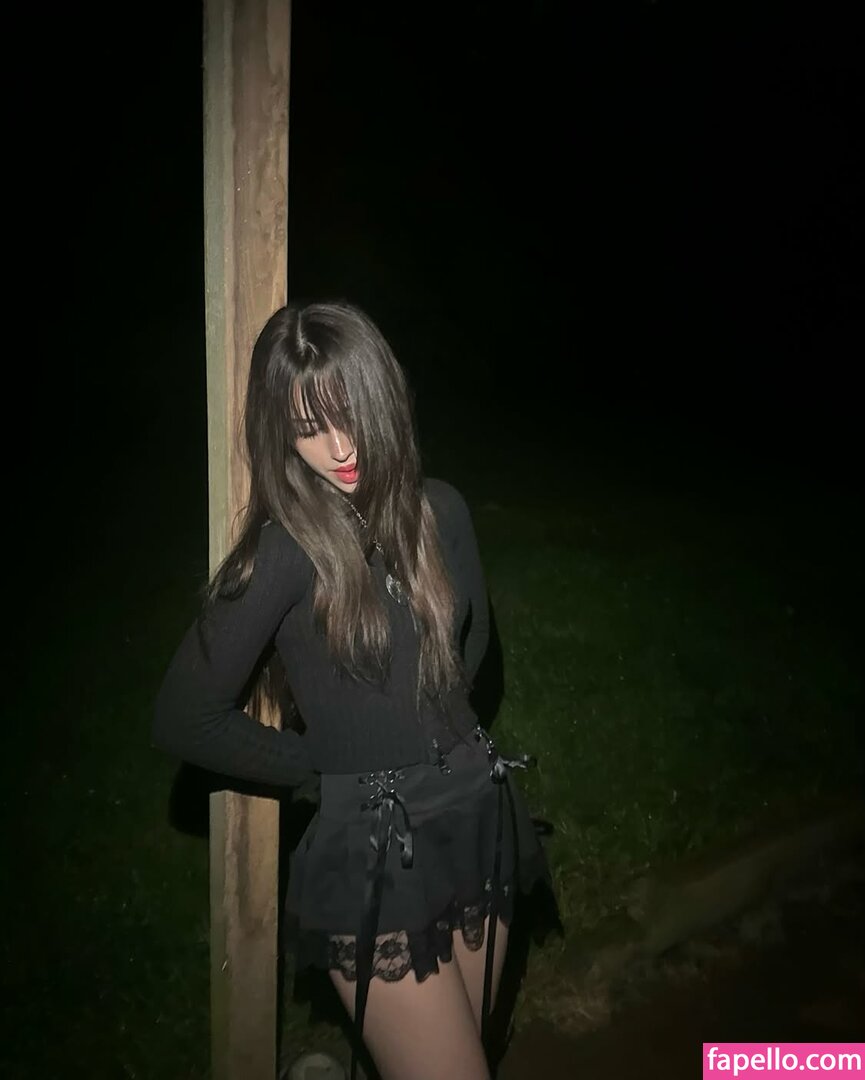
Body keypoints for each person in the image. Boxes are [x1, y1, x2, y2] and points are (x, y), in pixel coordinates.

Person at [152, 301, 552, 1080]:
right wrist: (322, 771)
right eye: (308, 427)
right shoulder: (284, 553)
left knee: (467, 1048)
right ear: (280, 432)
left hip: (478, 816)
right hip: (375, 848)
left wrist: (436, 728)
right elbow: (183, 717)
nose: (338, 448)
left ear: (385, 399)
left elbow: (471, 649)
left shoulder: (441, 509)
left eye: (350, 414)